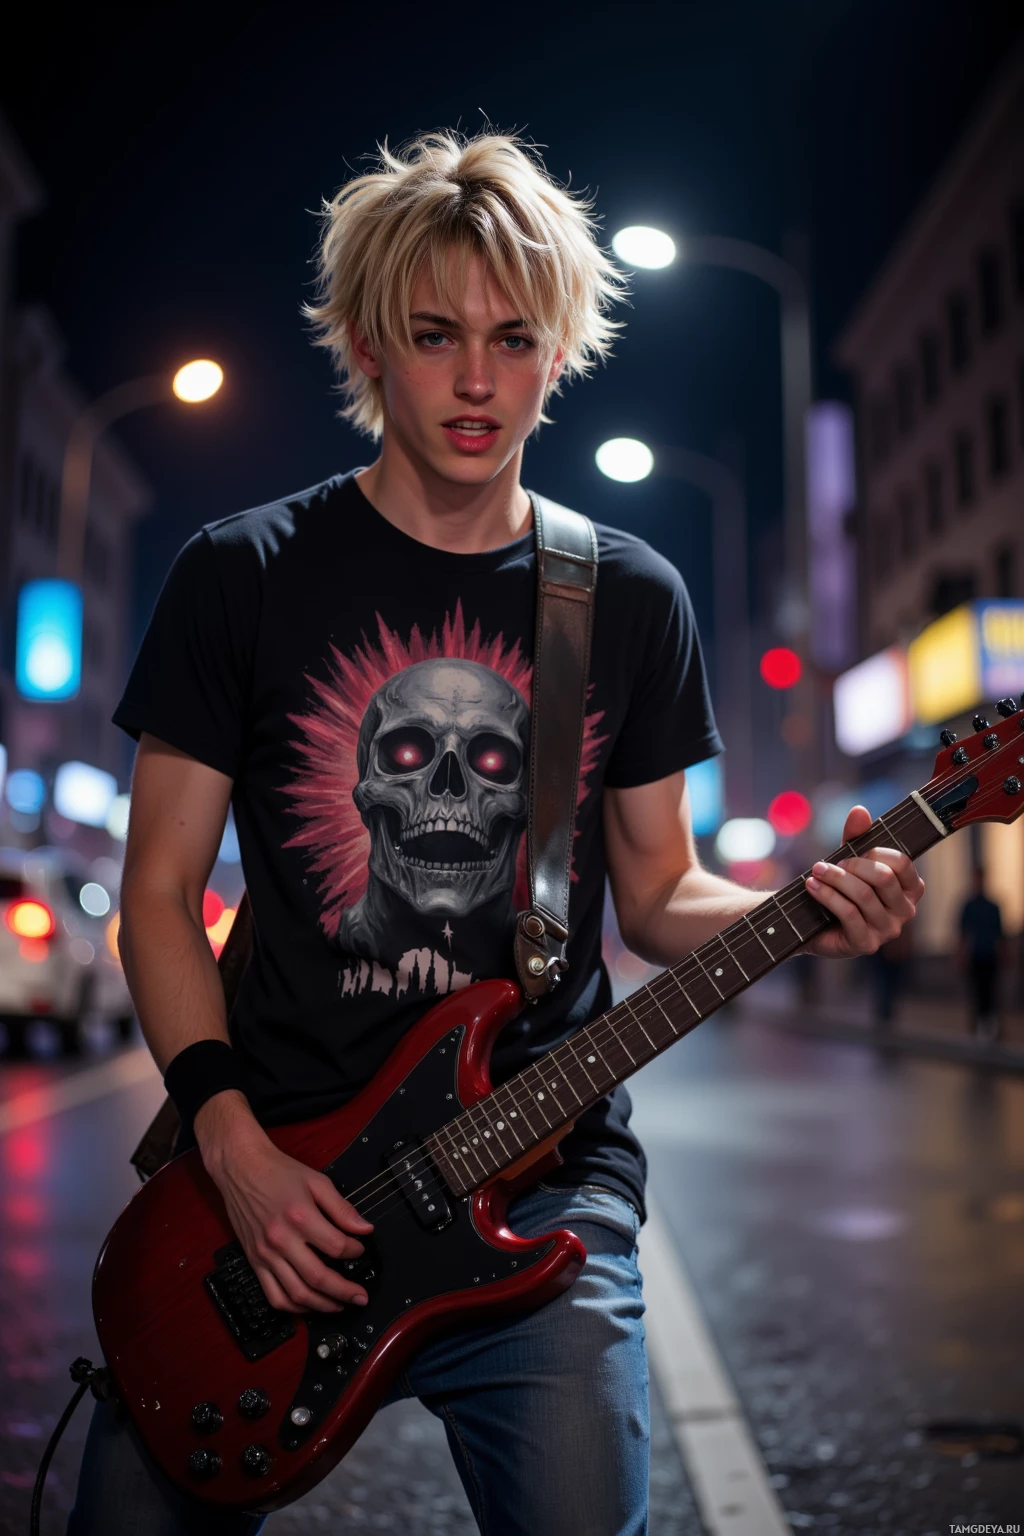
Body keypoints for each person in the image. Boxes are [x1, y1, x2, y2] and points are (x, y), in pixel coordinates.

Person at [68, 130, 926, 1536]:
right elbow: (156, 897)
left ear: (560, 349)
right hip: (268, 1183)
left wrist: (808, 897)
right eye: (435, 335)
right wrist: (231, 1147)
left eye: (516, 338)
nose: (478, 379)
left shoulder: (628, 598)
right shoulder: (241, 575)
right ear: (366, 346)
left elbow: (658, 894)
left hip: (539, 1187)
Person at [958, 866, 1005, 1043]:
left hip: (989, 954)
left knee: (991, 991)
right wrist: (961, 955)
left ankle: (991, 1025)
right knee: (977, 991)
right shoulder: (969, 906)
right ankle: (979, 1026)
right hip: (975, 956)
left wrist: (1003, 954)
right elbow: (963, 933)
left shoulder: (993, 906)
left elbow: (1000, 933)